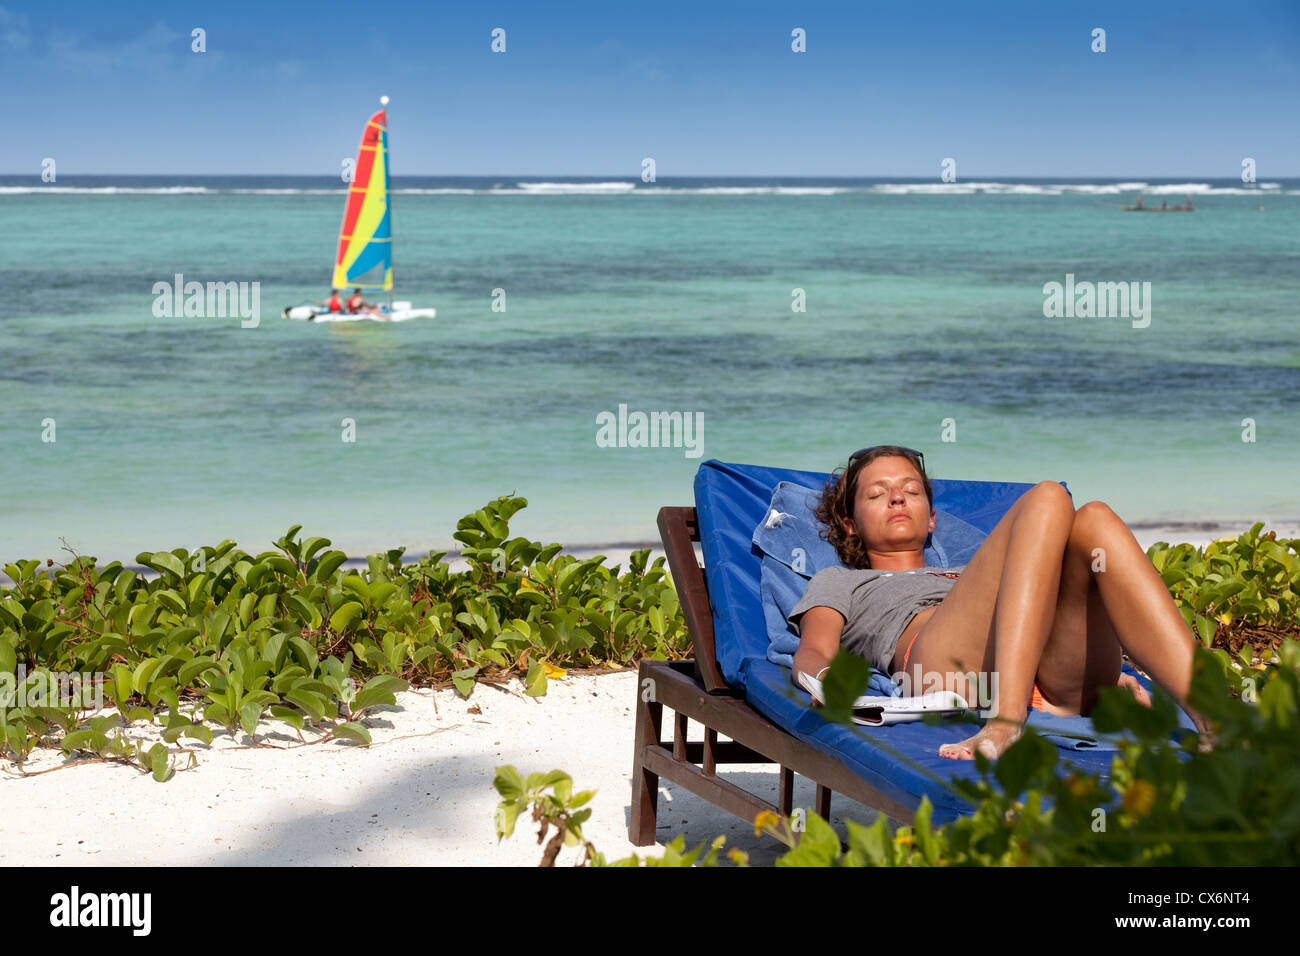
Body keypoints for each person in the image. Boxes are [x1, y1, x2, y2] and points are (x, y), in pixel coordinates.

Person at [788, 445, 1211, 761]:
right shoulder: (842, 580)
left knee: (1095, 516)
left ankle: (1215, 720)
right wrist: (825, 685)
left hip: (1052, 682)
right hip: (947, 673)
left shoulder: (976, 571)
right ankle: (1005, 722)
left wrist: (1112, 673)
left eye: (911, 491)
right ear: (850, 523)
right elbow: (814, 649)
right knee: (1047, 497)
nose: (898, 499)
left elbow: (1050, 606)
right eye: (879, 494)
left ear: (932, 517)